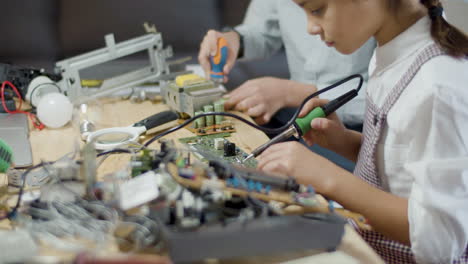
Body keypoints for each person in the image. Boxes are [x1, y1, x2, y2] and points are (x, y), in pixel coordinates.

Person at [256, 0, 468, 263]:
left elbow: (438, 241)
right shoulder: (390, 54)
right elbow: (400, 171)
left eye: (317, 10)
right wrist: (344, 142)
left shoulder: (436, 88)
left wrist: (326, 177)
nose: (310, 28)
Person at [198, 0, 375, 171]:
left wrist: (296, 93)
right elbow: (263, 29)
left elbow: (384, 100)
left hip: (360, 130)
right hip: (297, 116)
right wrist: (235, 39)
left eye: (317, 9)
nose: (310, 28)